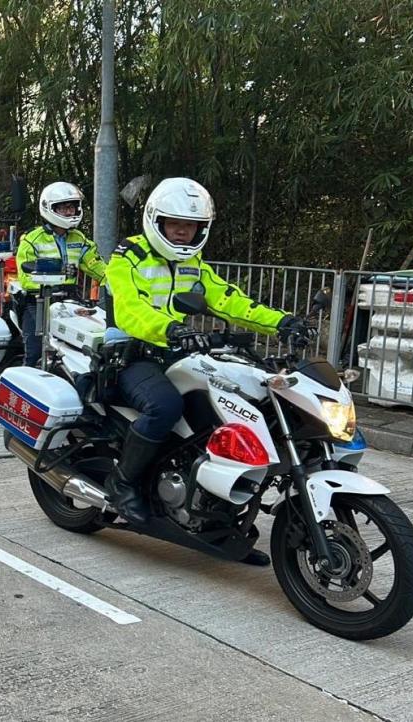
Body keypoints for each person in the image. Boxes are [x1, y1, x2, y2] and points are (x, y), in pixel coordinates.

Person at [102, 177, 309, 557]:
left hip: (178, 353)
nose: (182, 233)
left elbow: (230, 300)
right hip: (132, 354)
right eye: (175, 225)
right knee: (165, 407)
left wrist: (282, 322)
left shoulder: (193, 263)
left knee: (231, 412)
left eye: (191, 227)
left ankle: (222, 521)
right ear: (156, 221)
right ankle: (123, 483)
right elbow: (129, 309)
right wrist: (171, 328)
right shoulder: (127, 256)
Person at [13, 182, 106, 366]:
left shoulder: (79, 239)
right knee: (35, 351)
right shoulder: (32, 240)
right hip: (38, 302)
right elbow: (26, 278)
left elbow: (98, 266)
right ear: (49, 208)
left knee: (80, 346)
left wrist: (118, 282)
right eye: (64, 208)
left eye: (72, 207)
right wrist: (56, 277)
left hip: (70, 301)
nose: (70, 212)